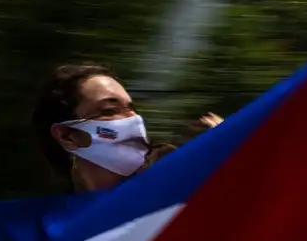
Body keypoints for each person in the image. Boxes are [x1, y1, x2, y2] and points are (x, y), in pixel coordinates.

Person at [31, 63, 223, 193]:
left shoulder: (178, 195)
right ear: (67, 136)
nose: (133, 118)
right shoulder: (40, 237)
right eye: (109, 110)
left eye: (131, 108)